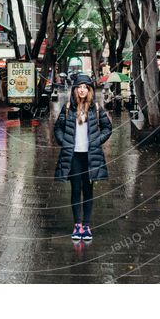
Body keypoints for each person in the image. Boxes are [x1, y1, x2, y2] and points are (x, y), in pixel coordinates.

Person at [54, 73, 112, 241]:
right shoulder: (67, 108)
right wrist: (64, 141)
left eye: (85, 87)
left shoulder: (96, 108)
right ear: (74, 89)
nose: (82, 90)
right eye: (79, 87)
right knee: (75, 190)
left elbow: (108, 128)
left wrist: (97, 141)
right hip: (73, 157)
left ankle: (86, 226)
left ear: (89, 90)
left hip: (90, 156)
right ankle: (77, 225)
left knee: (88, 191)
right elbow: (58, 128)